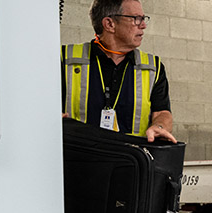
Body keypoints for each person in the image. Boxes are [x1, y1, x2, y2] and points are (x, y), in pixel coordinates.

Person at [61, 0, 176, 143]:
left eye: (143, 18)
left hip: (130, 160)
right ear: (110, 24)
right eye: (136, 19)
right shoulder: (65, 60)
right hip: (78, 159)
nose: (143, 25)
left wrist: (159, 126)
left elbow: (162, 112)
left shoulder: (153, 67)